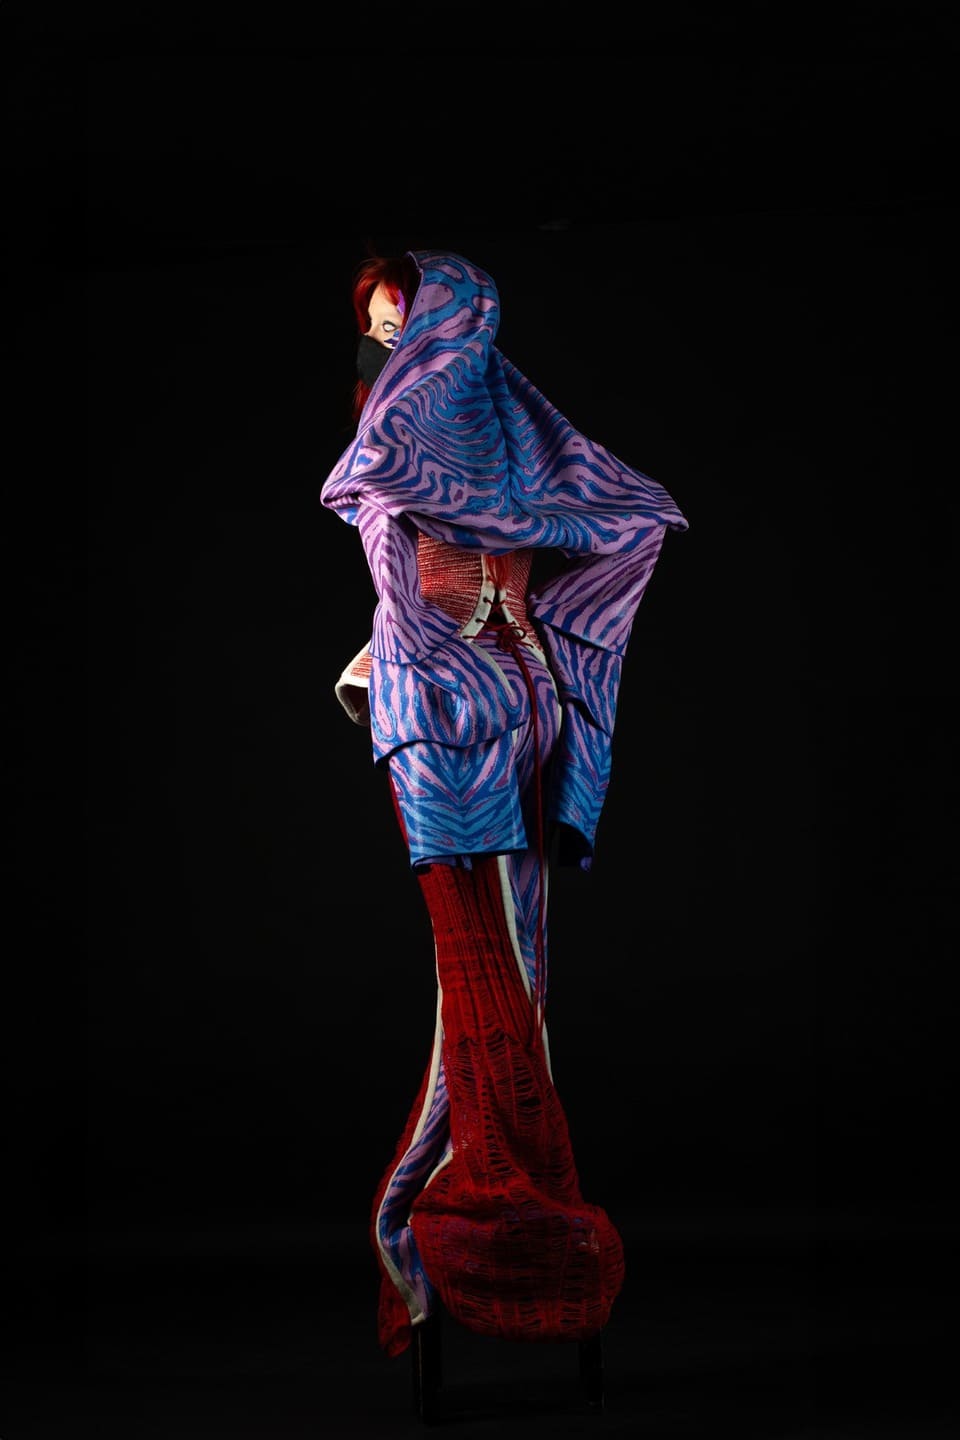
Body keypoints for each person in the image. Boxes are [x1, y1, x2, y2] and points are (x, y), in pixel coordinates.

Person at [321, 249, 688, 1363]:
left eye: (404, 325)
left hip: (513, 710)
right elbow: (400, 588)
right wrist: (412, 665)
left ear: (459, 324)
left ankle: (486, 1232)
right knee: (479, 975)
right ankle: (457, 1227)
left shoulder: (513, 443)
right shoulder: (404, 442)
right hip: (453, 717)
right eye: (379, 333)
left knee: (516, 977)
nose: (390, 351)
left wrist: (532, 622)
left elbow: (634, 522)